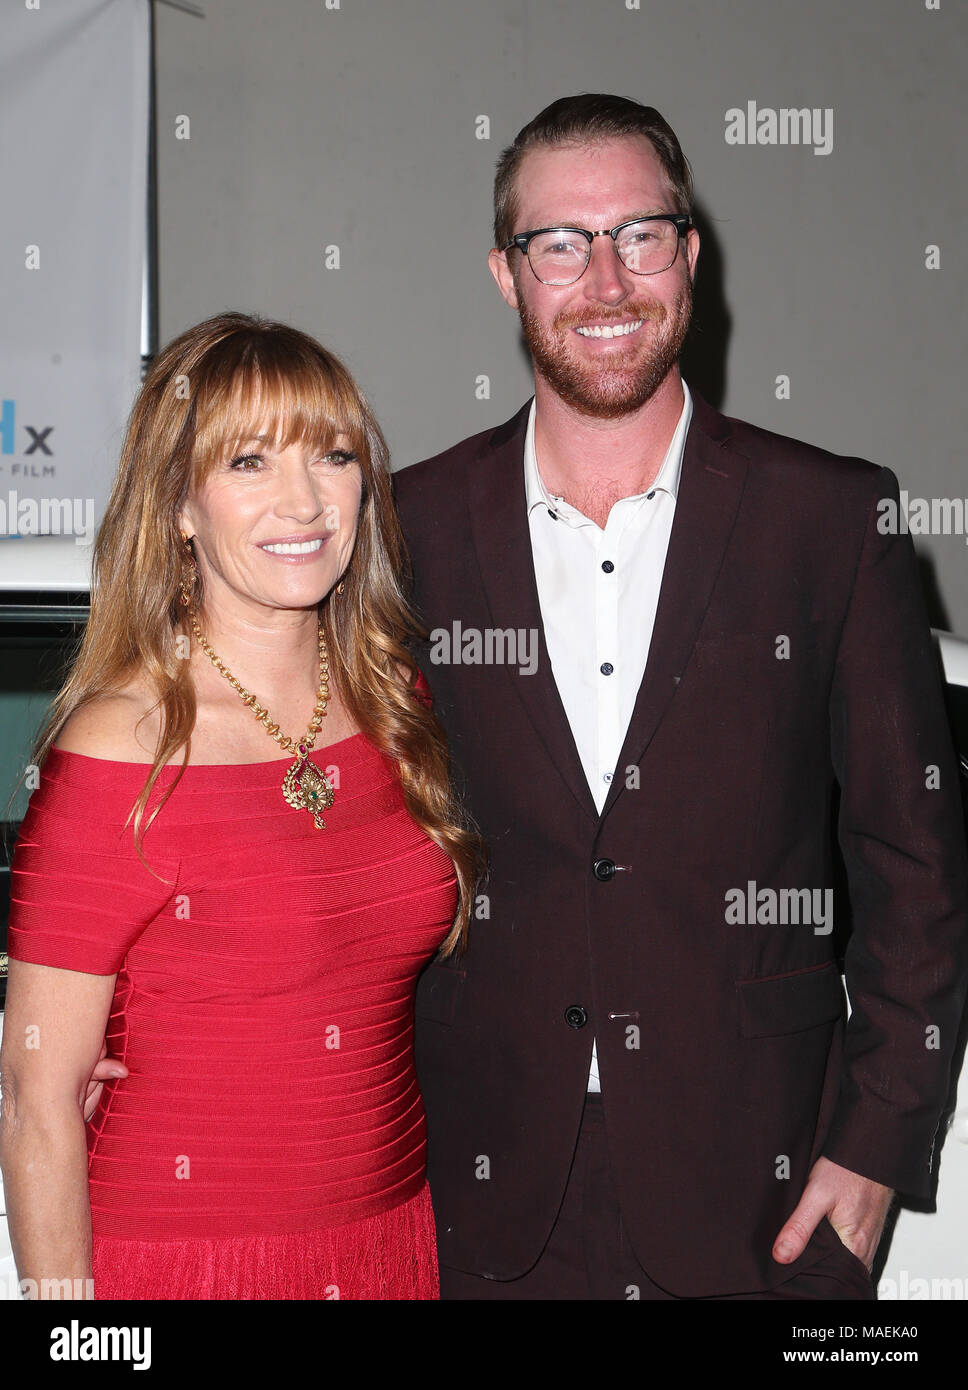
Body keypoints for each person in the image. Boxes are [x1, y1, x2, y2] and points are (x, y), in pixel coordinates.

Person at [389, 94, 968, 1299]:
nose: (604, 280)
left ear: (689, 256)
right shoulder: (405, 530)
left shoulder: (831, 520)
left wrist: (872, 1152)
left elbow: (915, 862)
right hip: (482, 1188)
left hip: (767, 1198)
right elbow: (314, 822)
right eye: (560, 244)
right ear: (506, 276)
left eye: (639, 235)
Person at [0, 312, 481, 1300]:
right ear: (179, 501)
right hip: (187, 1264)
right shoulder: (121, 745)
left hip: (386, 1239)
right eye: (249, 461)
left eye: (332, 454)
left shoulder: (392, 699)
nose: (302, 500)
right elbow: (35, 1097)